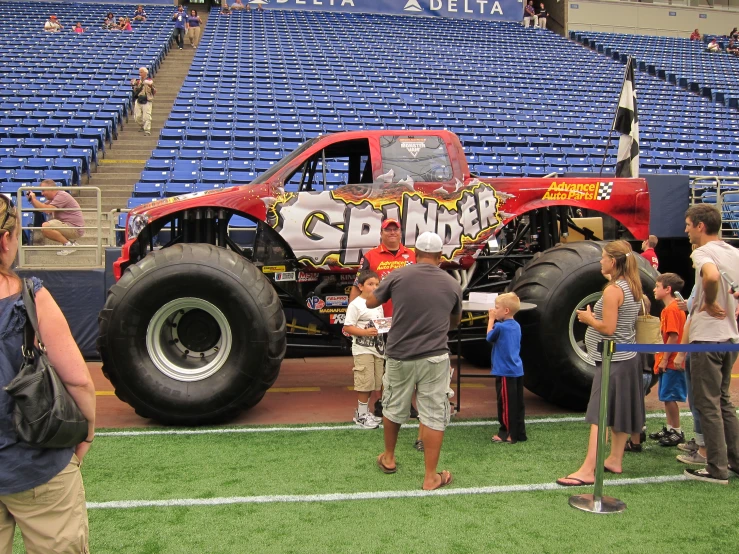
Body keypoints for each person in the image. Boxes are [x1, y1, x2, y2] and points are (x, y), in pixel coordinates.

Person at [0, 195, 96, 553]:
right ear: (7, 240)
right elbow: (78, 380)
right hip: (35, 460)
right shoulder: (30, 297)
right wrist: (86, 431)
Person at [368, 232, 461, 491]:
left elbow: (372, 300)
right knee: (433, 412)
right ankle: (431, 476)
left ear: (415, 253)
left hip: (400, 353)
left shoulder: (398, 275)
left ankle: (388, 457)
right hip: (434, 355)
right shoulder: (452, 283)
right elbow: (454, 322)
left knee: (393, 406)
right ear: (440, 257)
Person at [557, 241, 643, 486]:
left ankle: (587, 470)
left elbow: (609, 328)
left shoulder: (613, 290)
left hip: (613, 360)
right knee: (621, 411)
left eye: (603, 257)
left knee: (599, 415)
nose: (600, 261)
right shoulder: (633, 285)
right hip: (628, 358)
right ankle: (615, 459)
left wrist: (589, 319)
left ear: (613, 262)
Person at [673, 204, 739, 485]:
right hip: (729, 339)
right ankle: (733, 461)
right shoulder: (734, 252)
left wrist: (710, 302)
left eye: (688, 224)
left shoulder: (702, 253)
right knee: (723, 402)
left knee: (707, 404)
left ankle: (716, 468)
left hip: (707, 339)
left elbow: (711, 276)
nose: (686, 230)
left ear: (700, 226)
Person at [349, 218, 416, 420]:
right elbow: (357, 285)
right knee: (382, 363)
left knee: (407, 362)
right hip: (379, 320)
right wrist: (352, 317)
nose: (392, 233)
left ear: (401, 232)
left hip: (406, 319)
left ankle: (406, 403)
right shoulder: (371, 256)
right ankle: (382, 402)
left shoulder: (411, 255)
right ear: (381, 233)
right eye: (388, 230)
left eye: (396, 229)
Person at [647, 273, 687, 447]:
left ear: (667, 289)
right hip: (669, 360)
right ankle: (671, 427)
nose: (654, 289)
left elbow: (673, 336)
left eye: (657, 286)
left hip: (671, 362)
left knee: (670, 397)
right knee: (666, 396)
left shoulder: (671, 310)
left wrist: (664, 359)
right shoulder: (672, 309)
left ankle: (677, 430)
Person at [343, 270, 385, 429]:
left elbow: (379, 323)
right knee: (364, 382)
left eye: (376, 284)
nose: (374, 287)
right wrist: (365, 332)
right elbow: (348, 327)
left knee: (375, 382)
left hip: (378, 349)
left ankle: (365, 412)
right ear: (360, 286)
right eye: (370, 284)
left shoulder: (378, 303)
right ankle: (361, 414)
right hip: (363, 350)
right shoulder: (356, 304)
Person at [486, 292, 526, 444]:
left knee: (505, 405)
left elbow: (489, 337)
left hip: (505, 371)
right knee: (517, 403)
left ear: (506, 310)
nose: (494, 310)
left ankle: (507, 434)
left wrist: (491, 320)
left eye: (497, 308)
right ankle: (519, 433)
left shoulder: (500, 327)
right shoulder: (516, 326)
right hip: (517, 369)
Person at [26, 180, 84, 256]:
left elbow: (46, 210)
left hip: (74, 228)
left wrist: (34, 199)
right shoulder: (54, 198)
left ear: (51, 188)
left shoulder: (62, 195)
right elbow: (41, 208)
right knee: (45, 230)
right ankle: (71, 244)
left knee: (46, 226)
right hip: (69, 227)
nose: (42, 193)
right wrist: (32, 200)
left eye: (43, 190)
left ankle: (68, 245)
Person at [131, 67, 155, 137]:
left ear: (145, 73)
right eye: (139, 72)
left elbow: (152, 87)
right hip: (139, 99)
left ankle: (147, 130)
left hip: (147, 99)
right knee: (137, 117)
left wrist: (149, 85)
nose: (140, 73)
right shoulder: (138, 81)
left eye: (141, 72)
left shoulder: (149, 80)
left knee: (146, 116)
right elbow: (134, 87)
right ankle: (142, 125)